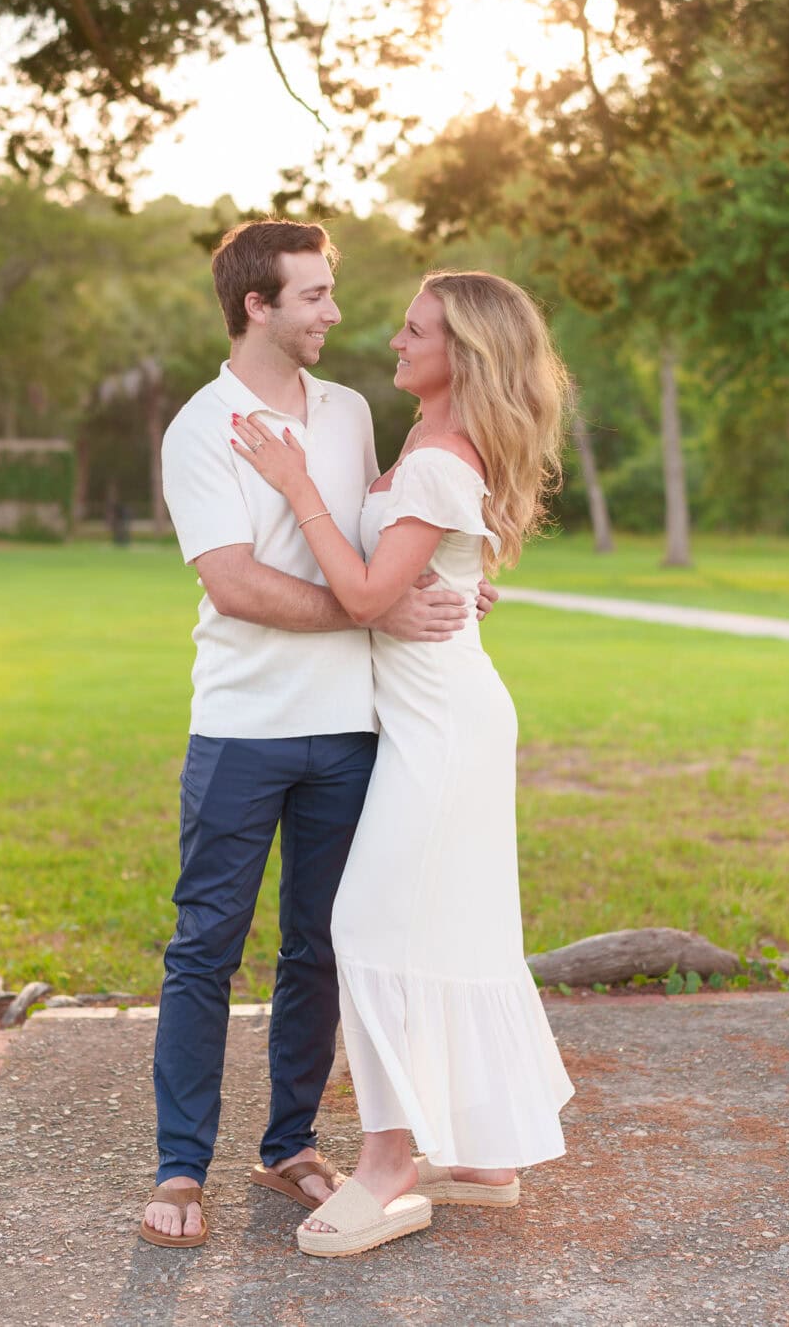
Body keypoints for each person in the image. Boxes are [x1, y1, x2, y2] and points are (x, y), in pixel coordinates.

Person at [140, 222, 498, 1248]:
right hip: (244, 727)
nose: (334, 314)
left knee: (323, 949)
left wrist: (444, 584)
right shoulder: (202, 427)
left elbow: (379, 537)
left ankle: (290, 1143)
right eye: (313, 297)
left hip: (354, 726)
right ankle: (177, 1168)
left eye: (332, 293)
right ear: (256, 305)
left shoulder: (346, 413)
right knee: (205, 947)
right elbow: (234, 581)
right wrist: (377, 606)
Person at [231, 268, 575, 1258]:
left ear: (461, 353)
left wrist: (297, 488)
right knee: (451, 927)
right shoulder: (430, 448)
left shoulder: (434, 459)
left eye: (414, 329)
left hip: (444, 728)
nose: (393, 338)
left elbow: (371, 594)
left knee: (367, 924)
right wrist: (427, 586)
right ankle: (485, 1157)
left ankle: (387, 1167)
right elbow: (411, 583)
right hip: (437, 718)